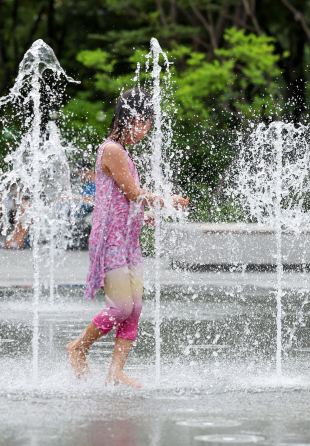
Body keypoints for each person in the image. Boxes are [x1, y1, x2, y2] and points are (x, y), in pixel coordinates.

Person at [66, 89, 188, 387]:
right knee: (120, 307)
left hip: (127, 238)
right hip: (111, 240)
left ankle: (115, 372)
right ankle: (78, 347)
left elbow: (122, 200)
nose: (146, 132)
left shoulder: (123, 152)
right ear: (132, 119)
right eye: (145, 124)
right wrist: (166, 200)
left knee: (135, 308)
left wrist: (142, 216)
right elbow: (134, 193)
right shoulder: (112, 150)